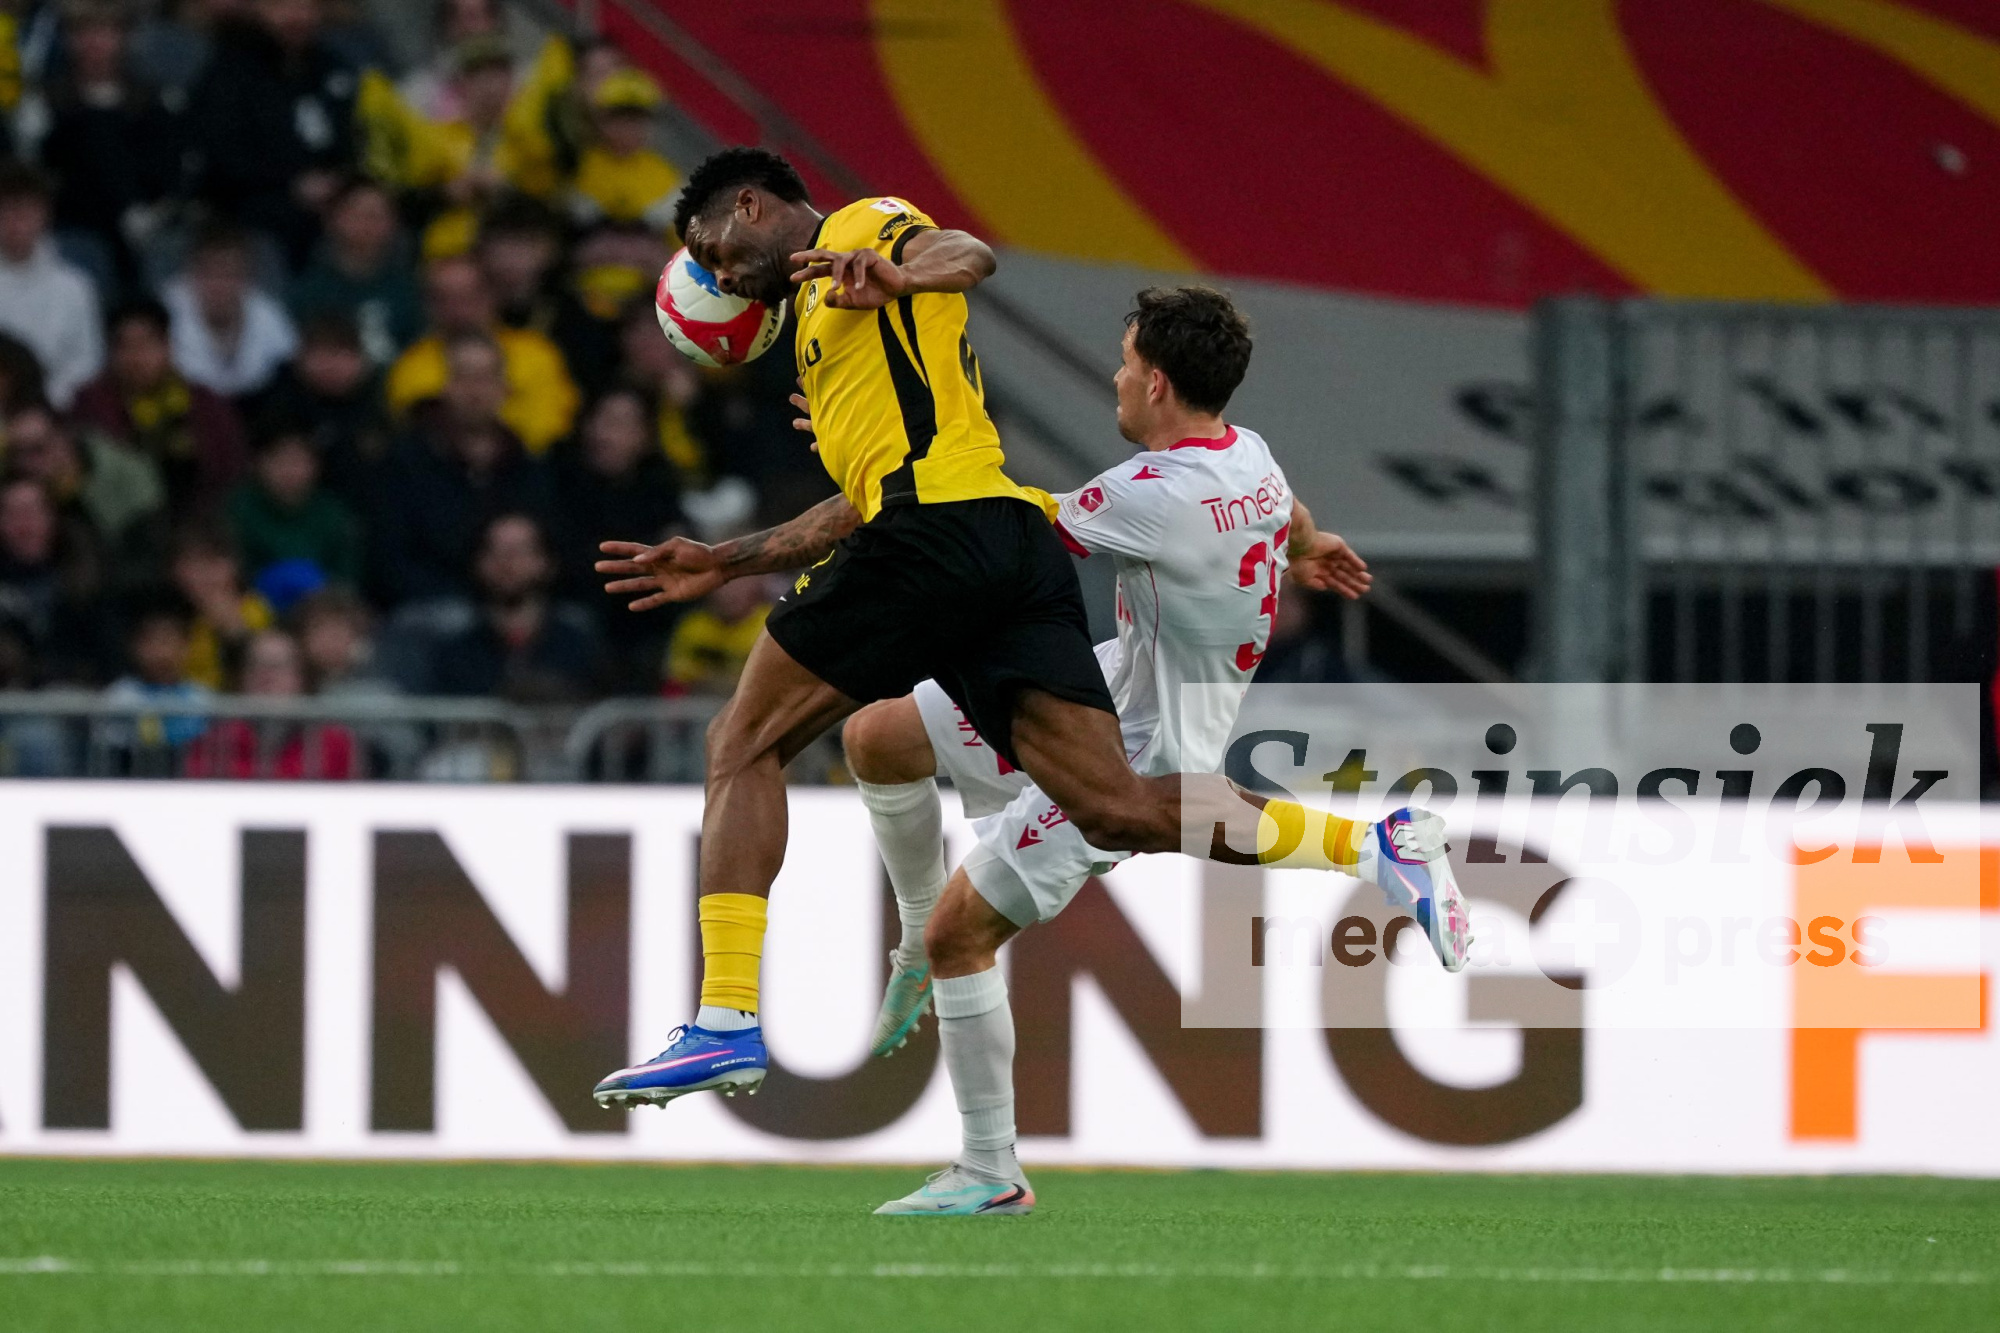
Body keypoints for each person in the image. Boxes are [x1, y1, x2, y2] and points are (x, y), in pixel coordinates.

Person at [587, 149, 1463, 1115]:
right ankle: (1375, 844)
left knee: (742, 742)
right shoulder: (826, 335)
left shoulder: (860, 230)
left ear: (750, 205)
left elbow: (967, 253)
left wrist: (902, 271)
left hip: (930, 538)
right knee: (1108, 805)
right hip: (1001, 544)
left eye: (711, 248)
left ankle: (726, 1019)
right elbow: (864, 495)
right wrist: (726, 560)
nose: (716, 272)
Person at [839, 289, 1448, 1216]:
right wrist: (1309, 543)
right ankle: (913, 944)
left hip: (1129, 746)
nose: (1116, 378)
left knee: (962, 934)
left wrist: (873, 461)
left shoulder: (1151, 494)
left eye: (1126, 363)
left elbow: (996, 529)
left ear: (1157, 382)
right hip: (1105, 682)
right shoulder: (1247, 454)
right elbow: (1286, 510)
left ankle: (990, 1168)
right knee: (878, 736)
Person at [372, 330, 551, 604]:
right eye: (464, 377)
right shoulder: (406, 462)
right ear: (446, 386)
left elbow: (547, 547)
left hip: (519, 604)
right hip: (431, 603)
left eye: (485, 378)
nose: (475, 390)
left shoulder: (526, 464)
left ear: (504, 388)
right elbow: (390, 557)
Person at [186, 0, 360, 264]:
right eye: (281, 6)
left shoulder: (333, 65)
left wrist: (338, 180)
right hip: (256, 213)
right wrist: (291, 182)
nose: (296, 16)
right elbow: (223, 156)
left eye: (306, 6)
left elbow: (354, 137)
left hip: (334, 205)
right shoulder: (229, 72)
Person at [35, 0, 185, 298]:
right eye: (84, 32)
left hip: (142, 230)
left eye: (105, 32)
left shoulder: (150, 101)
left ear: (124, 37)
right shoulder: (49, 101)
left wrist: (148, 211)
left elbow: (167, 170)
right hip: (72, 229)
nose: (95, 43)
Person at [385, 253, 578, 453]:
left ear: (492, 295)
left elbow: (551, 425)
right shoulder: (410, 367)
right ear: (427, 305)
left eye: (468, 297)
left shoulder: (537, 353)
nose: (458, 310)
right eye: (443, 299)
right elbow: (418, 438)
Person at [72, 298, 247, 514]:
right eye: (125, 346)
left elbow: (232, 472)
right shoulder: (91, 406)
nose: (136, 358)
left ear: (168, 346)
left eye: (146, 344)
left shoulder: (205, 404)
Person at [431, 511, 600, 701]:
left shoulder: (579, 646)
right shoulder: (455, 652)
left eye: (520, 551)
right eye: (495, 551)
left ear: (546, 561)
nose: (507, 563)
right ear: (478, 562)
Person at [248, 312, 391, 510]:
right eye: (320, 354)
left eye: (340, 353)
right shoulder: (281, 403)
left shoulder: (382, 402)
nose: (330, 366)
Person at [3, 397, 164, 570]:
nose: (27, 464)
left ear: (62, 438)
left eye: (37, 449)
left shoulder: (128, 476)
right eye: (17, 454)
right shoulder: (27, 491)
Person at [183, 625, 356, 777]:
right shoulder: (215, 744)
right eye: (256, 664)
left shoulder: (334, 743)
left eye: (278, 666)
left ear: (301, 677)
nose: (266, 675)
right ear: (243, 677)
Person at [288, 176, 424, 364]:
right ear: (332, 218)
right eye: (358, 214)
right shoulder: (308, 291)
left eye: (376, 216)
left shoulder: (412, 289)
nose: (367, 225)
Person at [0, 163, 102, 408]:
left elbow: (86, 364)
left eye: (26, 211)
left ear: (45, 215)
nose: (16, 223)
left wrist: (44, 407)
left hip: (58, 412)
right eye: (7, 211)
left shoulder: (76, 288)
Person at [163, 223, 300, 399]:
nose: (218, 286)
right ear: (191, 273)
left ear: (246, 277)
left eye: (229, 275)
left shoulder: (267, 313)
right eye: (209, 274)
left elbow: (290, 362)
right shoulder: (166, 312)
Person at [225, 422, 362, 586]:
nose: (289, 472)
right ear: (258, 463)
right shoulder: (238, 509)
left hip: (323, 599)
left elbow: (346, 578)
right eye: (279, 461)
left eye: (298, 461)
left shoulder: (333, 513)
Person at [566, 68, 678, 233]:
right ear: (599, 120)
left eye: (636, 119)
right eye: (619, 118)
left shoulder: (665, 175)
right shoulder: (576, 163)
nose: (628, 128)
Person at [169, 521, 272, 689]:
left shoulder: (253, 611)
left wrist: (234, 634)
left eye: (213, 562)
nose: (203, 575)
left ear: (234, 566)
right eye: (192, 564)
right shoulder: (172, 616)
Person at [662, 574, 770, 697]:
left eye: (739, 584)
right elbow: (674, 684)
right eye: (724, 585)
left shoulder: (771, 626)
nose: (730, 593)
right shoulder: (693, 627)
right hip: (700, 704)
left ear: (756, 586)